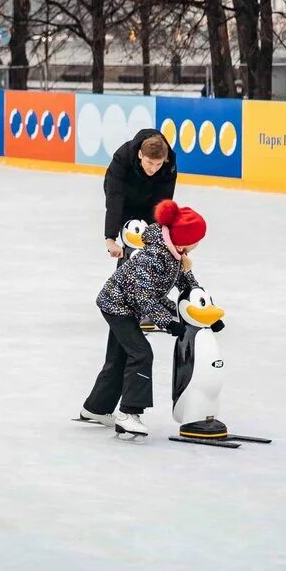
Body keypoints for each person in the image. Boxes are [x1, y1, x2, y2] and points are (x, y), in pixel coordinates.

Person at [79, 200, 210, 436]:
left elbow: (185, 286)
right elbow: (143, 297)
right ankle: (129, 413)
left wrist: (200, 304)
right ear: (185, 239)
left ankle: (96, 408)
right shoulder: (153, 257)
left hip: (129, 305)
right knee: (141, 353)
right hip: (117, 305)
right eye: (198, 239)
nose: (199, 243)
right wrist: (168, 322)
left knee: (119, 357)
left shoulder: (174, 253)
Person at [103, 130, 177, 265]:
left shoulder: (169, 164)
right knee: (133, 242)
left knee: (153, 246)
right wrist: (110, 238)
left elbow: (163, 202)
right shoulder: (122, 157)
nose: (153, 169)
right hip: (125, 201)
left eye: (158, 164)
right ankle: (121, 284)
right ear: (140, 154)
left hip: (150, 202)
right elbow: (115, 198)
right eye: (149, 162)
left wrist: (162, 234)